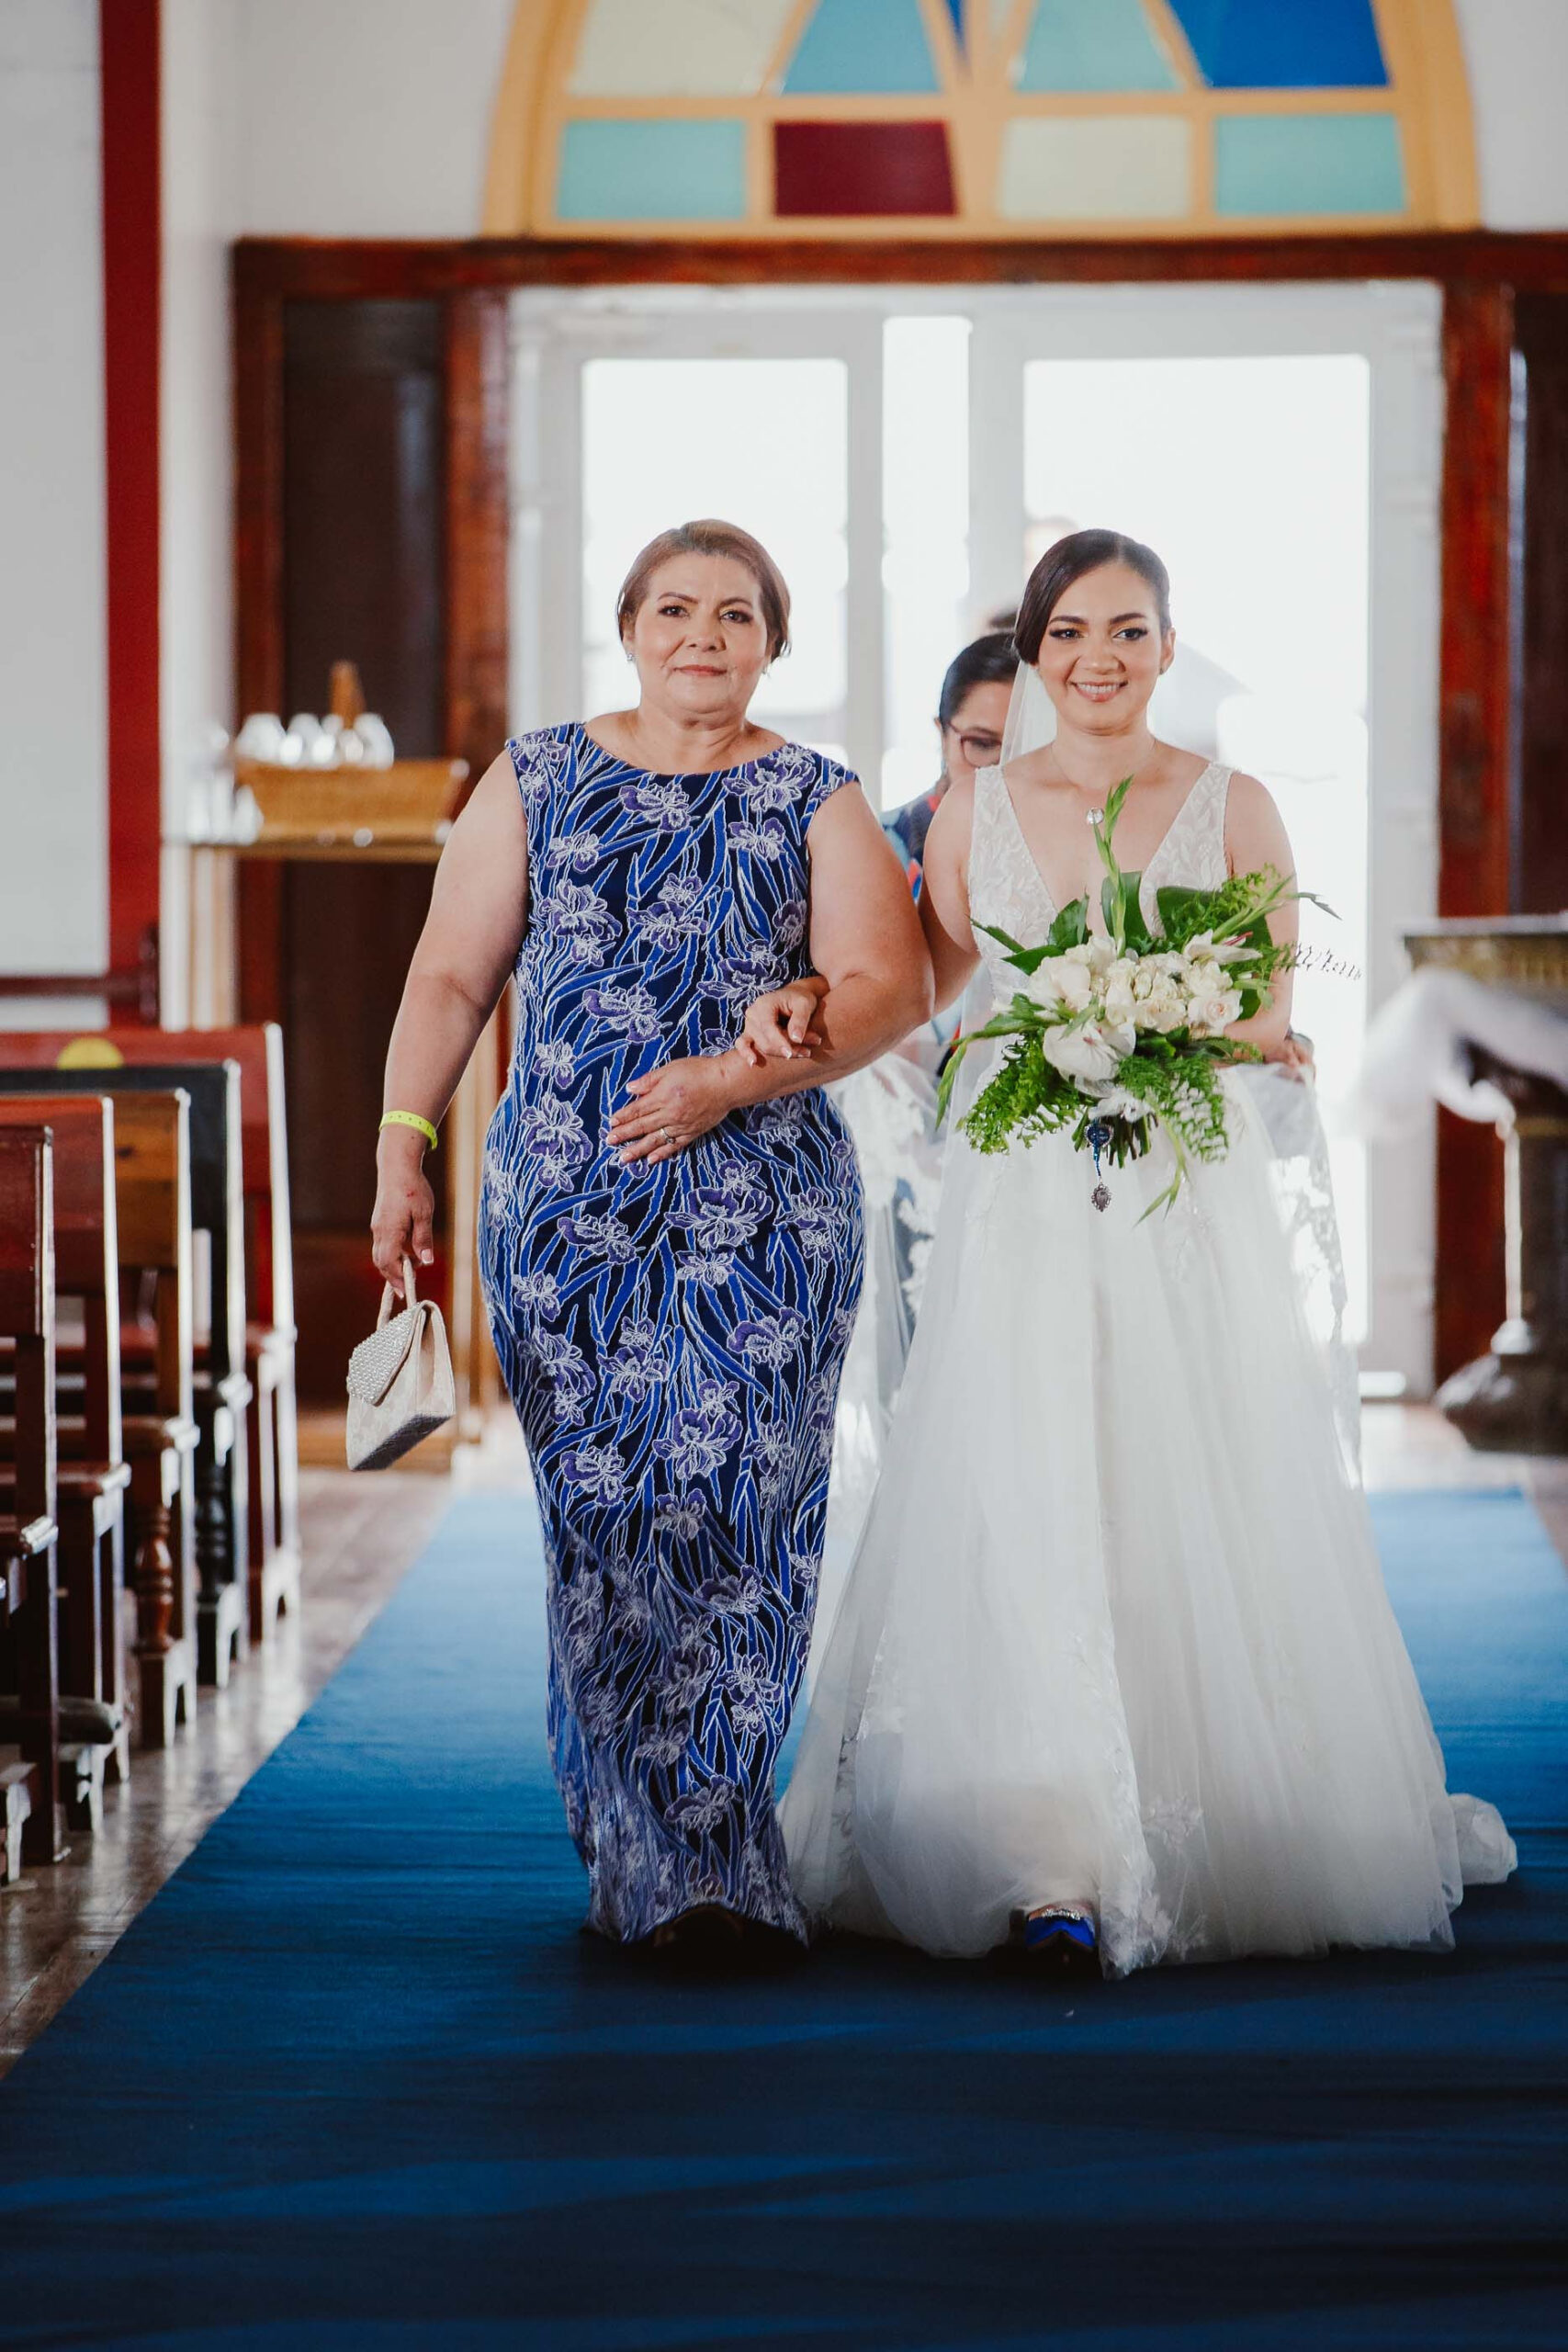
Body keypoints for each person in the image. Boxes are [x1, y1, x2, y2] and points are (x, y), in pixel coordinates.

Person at [751, 528, 1515, 1978]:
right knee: (1021, 1476)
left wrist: (1137, 1025)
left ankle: (1207, 1809)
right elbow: (931, 987)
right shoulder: (973, 811)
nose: (1095, 659)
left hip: (1174, 1192)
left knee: (1183, 1468)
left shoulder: (1233, 806)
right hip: (1021, 1199)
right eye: (1067, 634)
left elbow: (1268, 1012)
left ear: (1165, 645)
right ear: (1032, 654)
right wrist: (804, 1004)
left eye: (1125, 631)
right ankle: (1039, 1843)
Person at [369, 517, 930, 1965]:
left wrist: (731, 1080)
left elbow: (887, 986)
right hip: (567, 1215)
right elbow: (448, 978)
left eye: (735, 614)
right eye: (673, 609)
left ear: (772, 644)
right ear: (627, 629)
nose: (702, 636)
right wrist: (401, 1145)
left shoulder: (815, 796)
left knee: (741, 1515)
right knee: (608, 1522)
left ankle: (716, 1863)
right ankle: (634, 1848)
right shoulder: (534, 778)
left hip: (768, 1220)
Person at [883, 631, 1016, 895]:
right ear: (942, 735)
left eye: (1025, 746)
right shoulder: (886, 845)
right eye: (981, 744)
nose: (1001, 768)